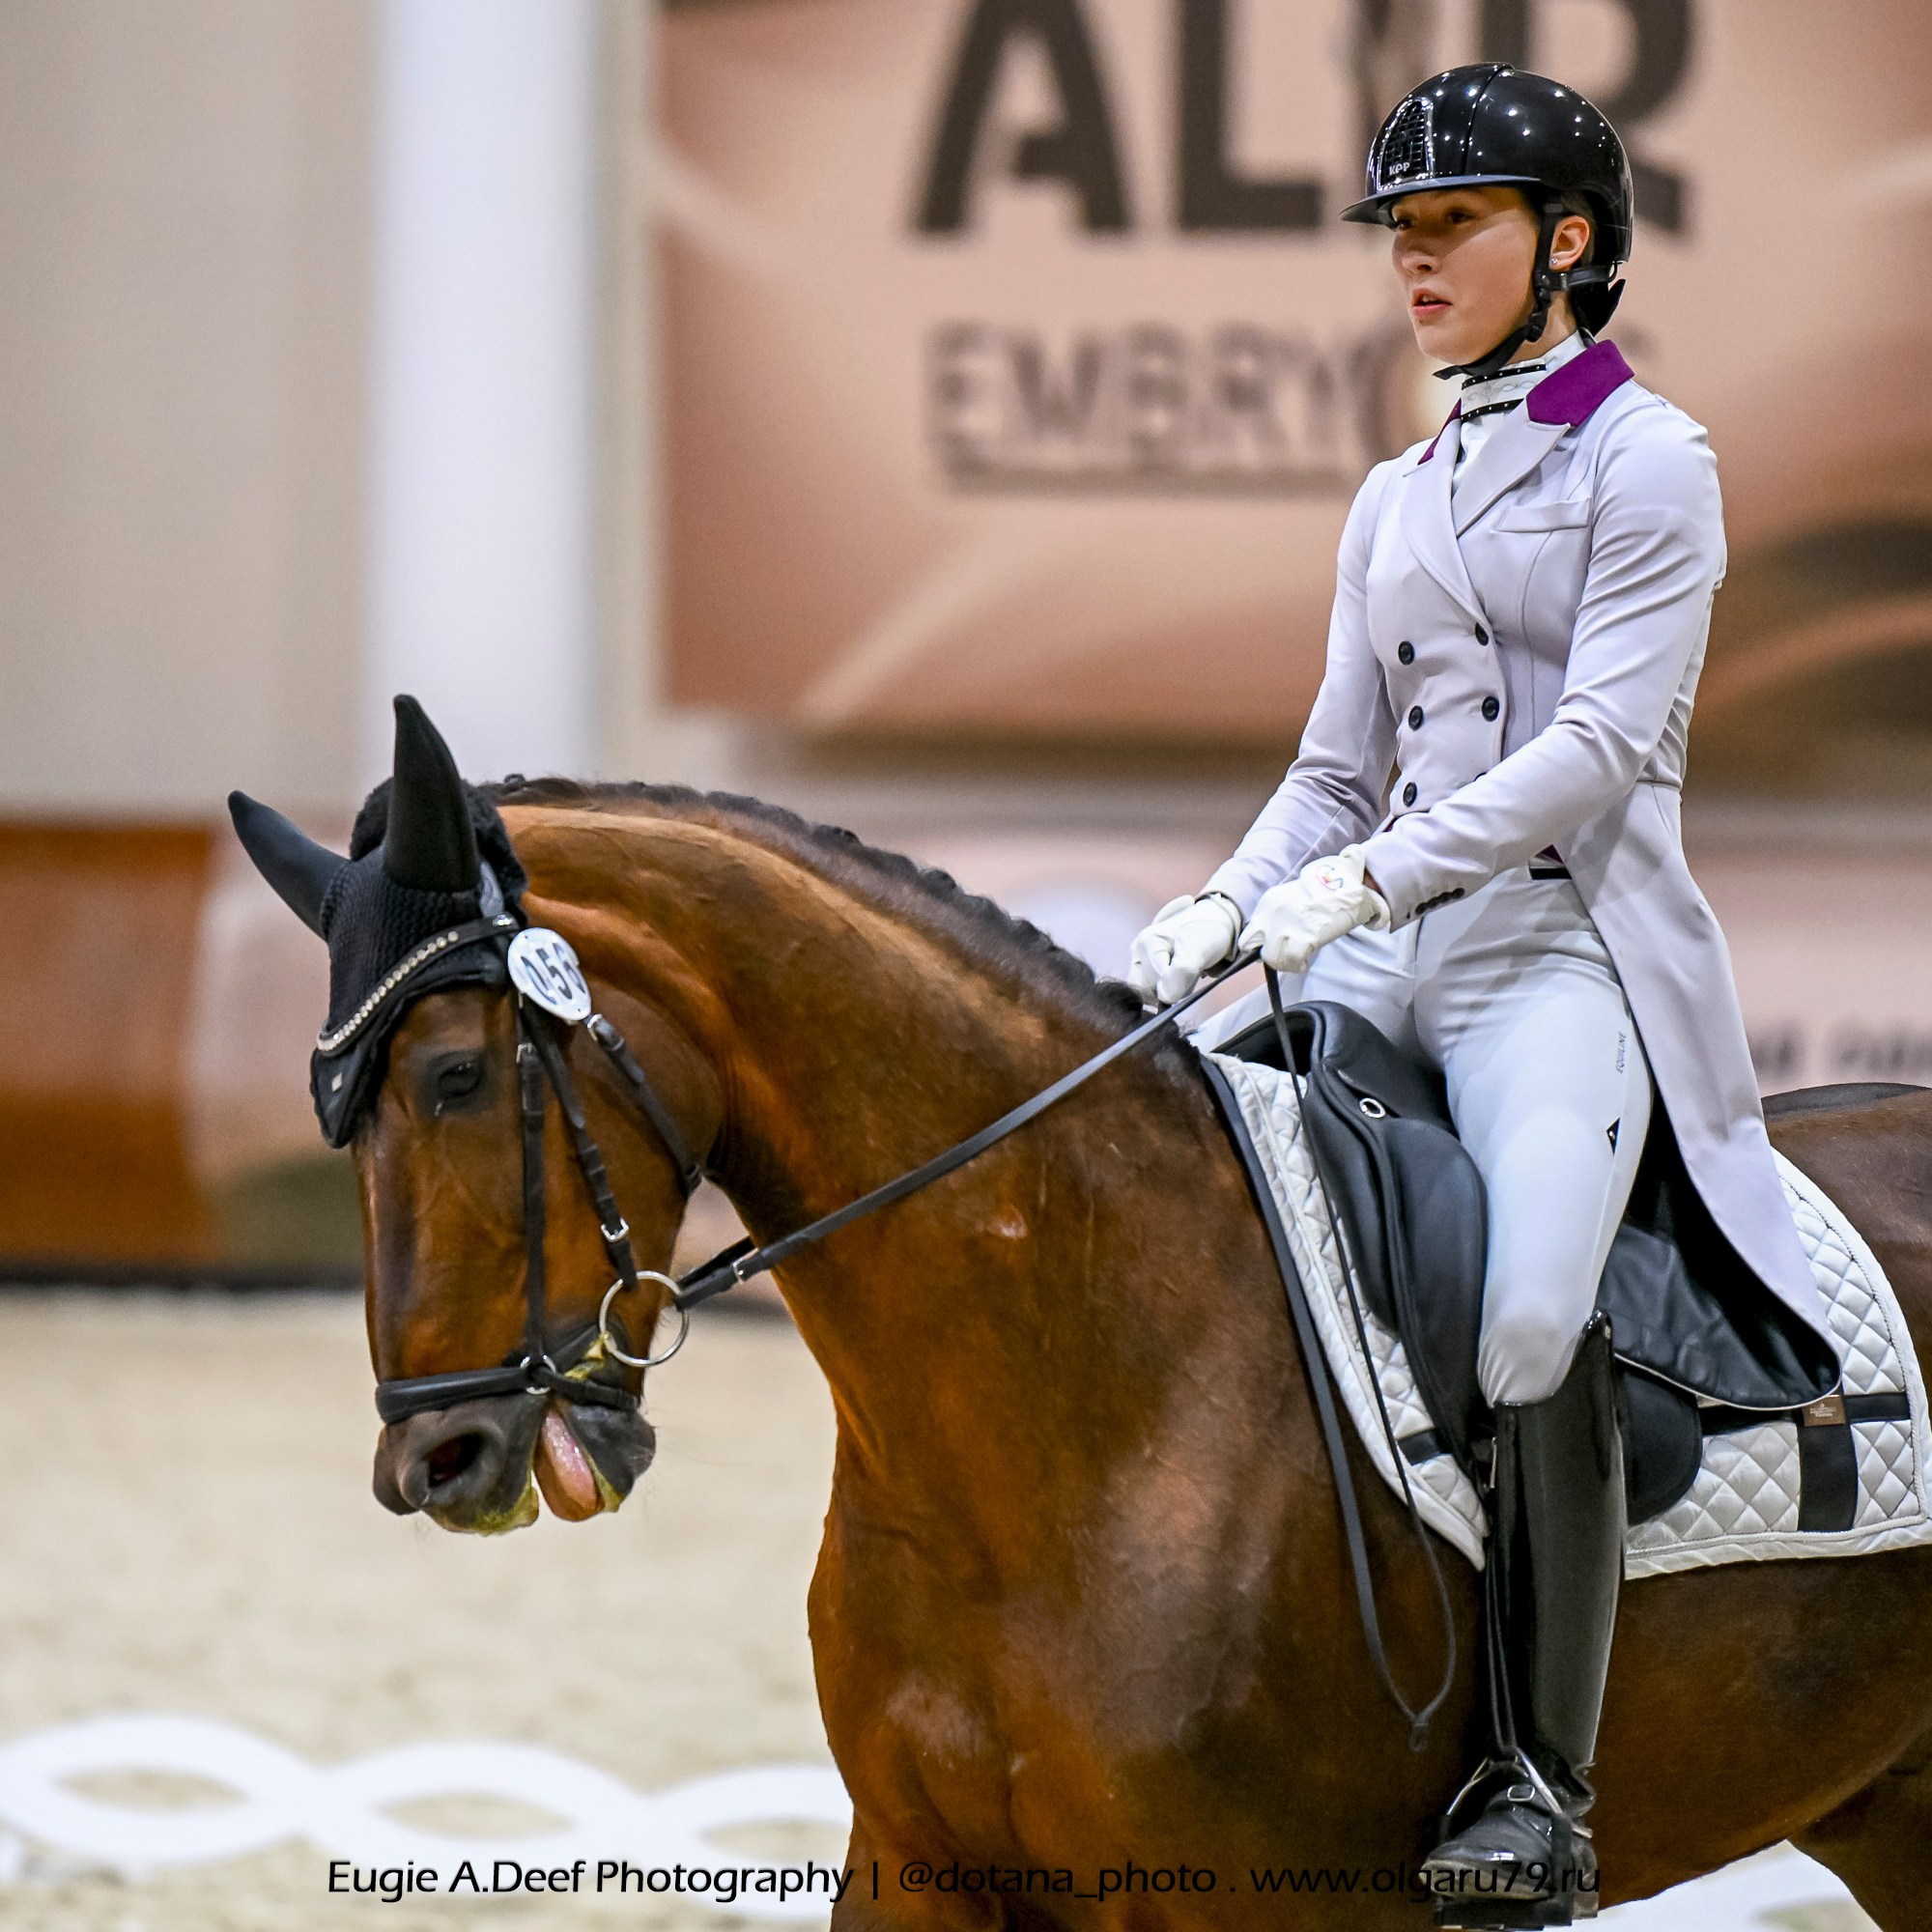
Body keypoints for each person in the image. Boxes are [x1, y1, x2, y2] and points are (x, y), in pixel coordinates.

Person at [1126, 64, 1836, 1922]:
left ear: (1570, 242)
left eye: (1452, 228)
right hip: (1380, 947)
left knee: (1527, 1318)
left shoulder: (1650, 459)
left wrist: (1369, 876)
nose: (1413, 263)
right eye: (1402, 233)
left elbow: (1603, 744)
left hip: (1559, 954)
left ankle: (1539, 1778)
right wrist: (1225, 901)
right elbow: (1334, 766)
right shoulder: (1396, 492)